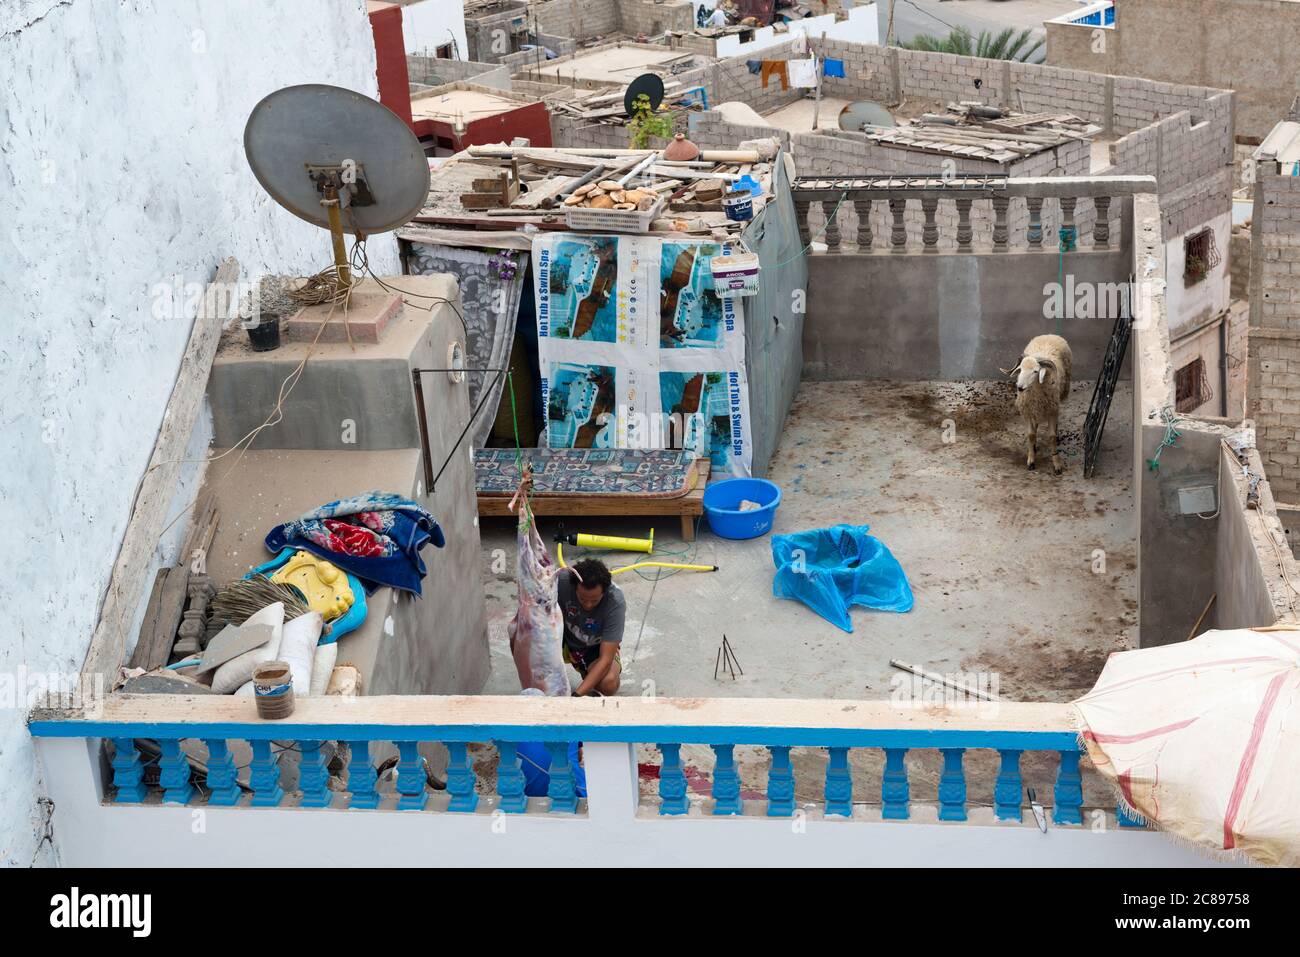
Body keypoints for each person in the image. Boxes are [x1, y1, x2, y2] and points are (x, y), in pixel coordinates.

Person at [558, 558, 624, 696]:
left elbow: (605, 659)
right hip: (561, 639)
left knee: (609, 683)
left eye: (594, 600)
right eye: (582, 598)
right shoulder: (562, 581)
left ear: (604, 592)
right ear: (573, 586)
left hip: (593, 647)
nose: (588, 605)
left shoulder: (615, 602)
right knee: (519, 633)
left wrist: (577, 695)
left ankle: (587, 670)